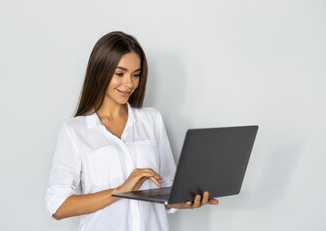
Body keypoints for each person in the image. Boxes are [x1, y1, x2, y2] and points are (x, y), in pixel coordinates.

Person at [45, 31, 219, 231]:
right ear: (99, 72)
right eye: (120, 74)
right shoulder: (74, 131)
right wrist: (120, 190)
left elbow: (167, 185)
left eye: (136, 75)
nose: (130, 83)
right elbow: (57, 205)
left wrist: (182, 201)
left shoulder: (152, 120)